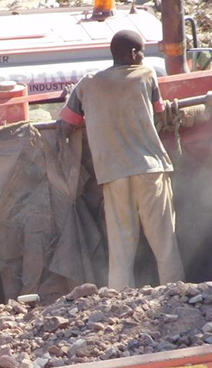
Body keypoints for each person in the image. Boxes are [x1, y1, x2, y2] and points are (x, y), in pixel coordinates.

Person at [59, 30, 185, 290]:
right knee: (164, 243)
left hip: (113, 173)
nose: (142, 57)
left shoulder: (87, 84)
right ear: (133, 54)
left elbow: (65, 126)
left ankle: (119, 302)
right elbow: (160, 115)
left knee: (121, 248)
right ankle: (177, 295)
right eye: (141, 52)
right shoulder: (147, 75)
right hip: (149, 168)